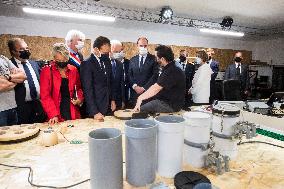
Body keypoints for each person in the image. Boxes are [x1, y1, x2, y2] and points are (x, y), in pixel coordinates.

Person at [133, 45, 185, 113]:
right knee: (144, 102)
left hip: (170, 105)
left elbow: (156, 88)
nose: (156, 60)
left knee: (140, 109)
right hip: (166, 100)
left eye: (157, 58)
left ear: (163, 59)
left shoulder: (171, 71)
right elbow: (157, 85)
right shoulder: (170, 68)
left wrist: (140, 98)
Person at [40, 43, 84, 124]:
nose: (62, 63)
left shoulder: (73, 69)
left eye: (64, 60)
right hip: (55, 110)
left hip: (72, 109)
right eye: (59, 61)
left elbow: (78, 88)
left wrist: (79, 99)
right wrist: (53, 114)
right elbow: (45, 96)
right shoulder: (46, 71)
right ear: (54, 58)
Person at [8, 38, 46, 124]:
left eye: (27, 48)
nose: (25, 51)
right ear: (13, 51)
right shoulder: (9, 65)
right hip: (21, 107)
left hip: (38, 104)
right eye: (21, 49)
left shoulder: (34, 64)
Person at [80, 36, 116, 121]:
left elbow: (110, 83)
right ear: (96, 49)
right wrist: (94, 111)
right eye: (104, 53)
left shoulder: (107, 62)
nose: (107, 55)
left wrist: (112, 100)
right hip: (95, 109)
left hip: (108, 106)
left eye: (108, 53)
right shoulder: (87, 64)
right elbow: (87, 90)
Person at [128, 37, 159, 107]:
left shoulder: (154, 59)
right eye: (141, 46)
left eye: (145, 46)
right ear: (137, 46)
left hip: (148, 94)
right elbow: (130, 75)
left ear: (148, 46)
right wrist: (135, 86)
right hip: (134, 94)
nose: (143, 48)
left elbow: (155, 75)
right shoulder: (132, 60)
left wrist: (144, 88)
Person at [0, 55, 26, 126]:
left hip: (13, 108)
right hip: (1, 111)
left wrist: (7, 77)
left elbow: (23, 76)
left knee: (13, 136)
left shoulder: (3, 58)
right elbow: (1, 85)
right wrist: (15, 81)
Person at [110, 40, 125, 109]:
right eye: (116, 52)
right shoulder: (102, 63)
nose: (118, 54)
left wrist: (122, 100)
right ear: (109, 49)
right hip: (106, 100)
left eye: (119, 52)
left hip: (118, 100)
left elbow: (121, 83)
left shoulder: (120, 64)